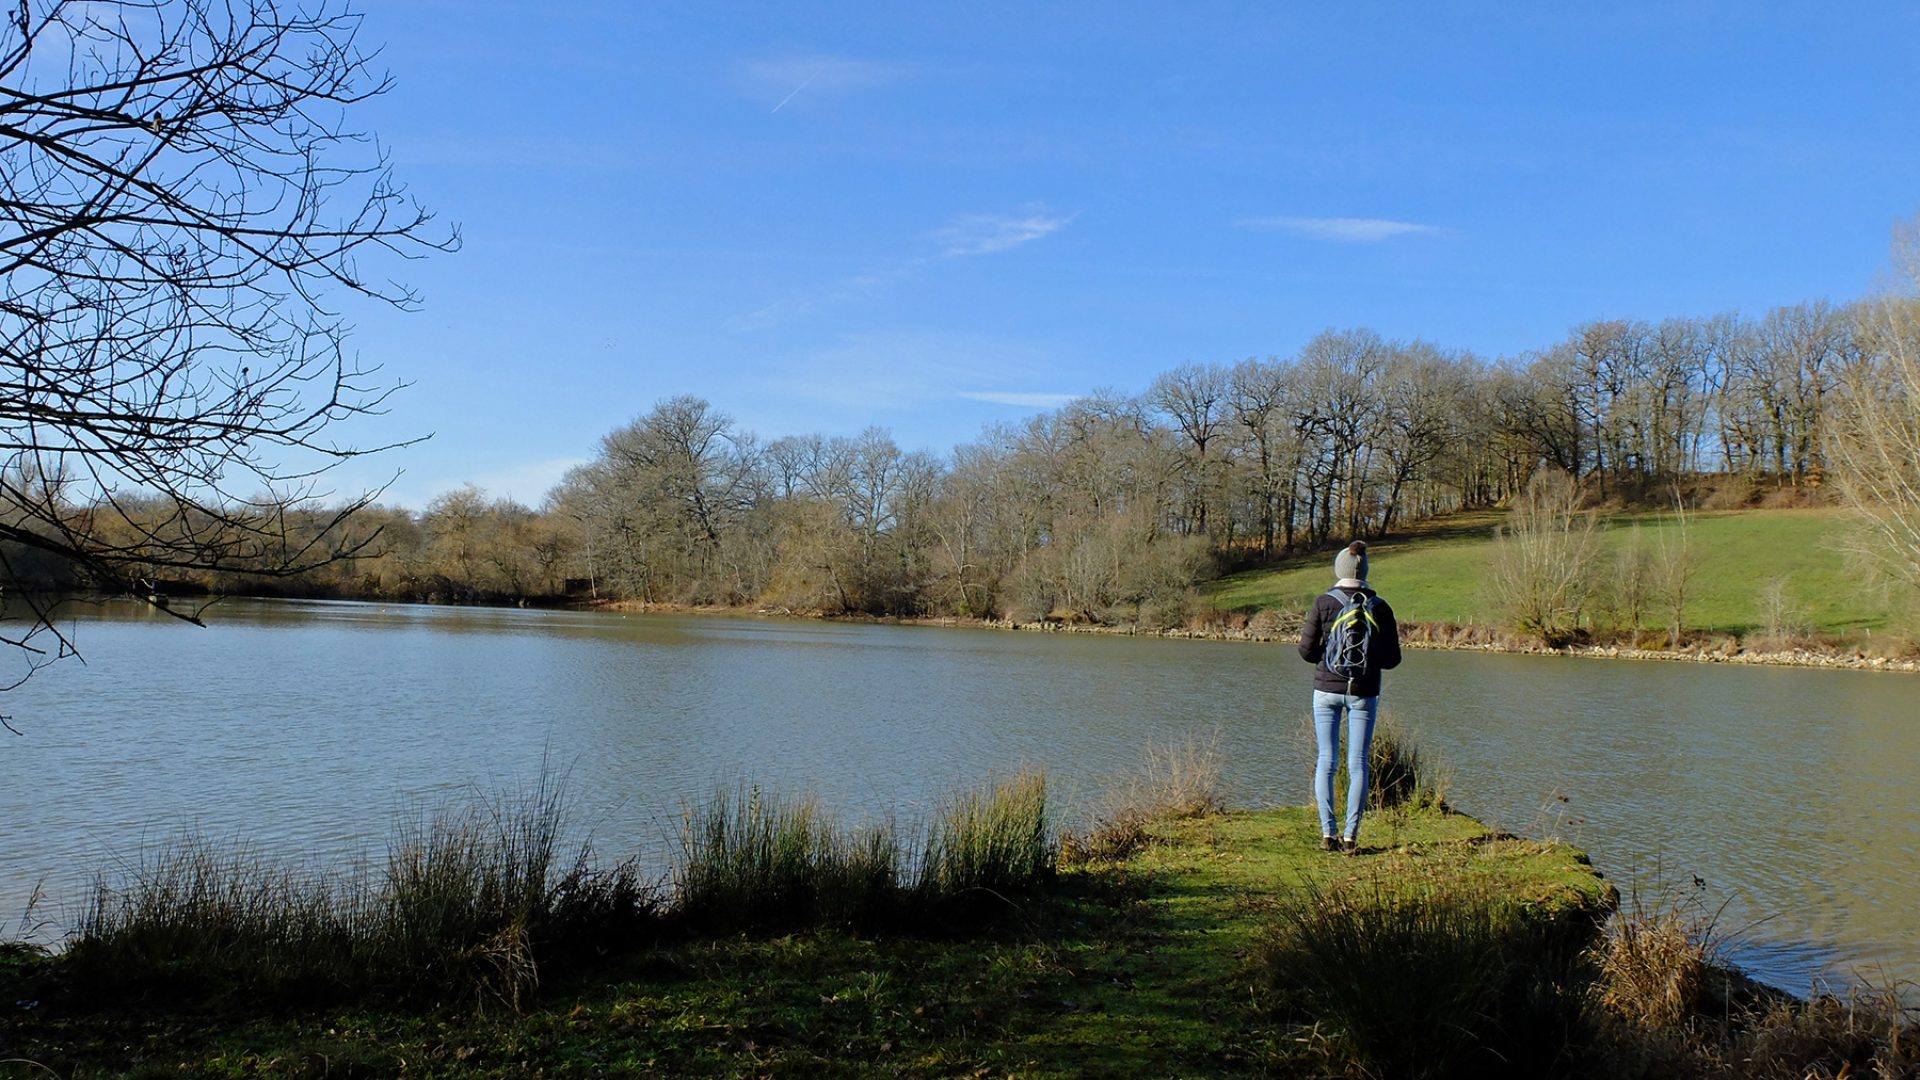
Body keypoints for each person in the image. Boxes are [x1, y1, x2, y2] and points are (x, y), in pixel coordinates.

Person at [1297, 540, 1402, 853]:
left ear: (1338, 568)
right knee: (1358, 763)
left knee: (1326, 761)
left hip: (1325, 690)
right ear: (1365, 571)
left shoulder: (1323, 602)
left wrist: (1325, 658)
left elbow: (1305, 651)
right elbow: (1392, 660)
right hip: (1364, 693)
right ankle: (1350, 837)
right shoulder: (1381, 607)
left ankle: (1327, 834)